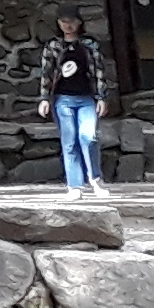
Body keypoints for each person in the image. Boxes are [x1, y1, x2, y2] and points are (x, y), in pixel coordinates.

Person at [44, 10, 110, 192]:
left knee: (88, 137)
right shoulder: (53, 45)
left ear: (79, 22)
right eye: (63, 21)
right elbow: (46, 72)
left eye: (71, 21)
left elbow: (99, 71)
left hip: (86, 99)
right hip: (62, 99)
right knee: (69, 141)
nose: (68, 25)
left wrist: (101, 97)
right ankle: (74, 186)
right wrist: (44, 98)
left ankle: (95, 178)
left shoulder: (89, 44)